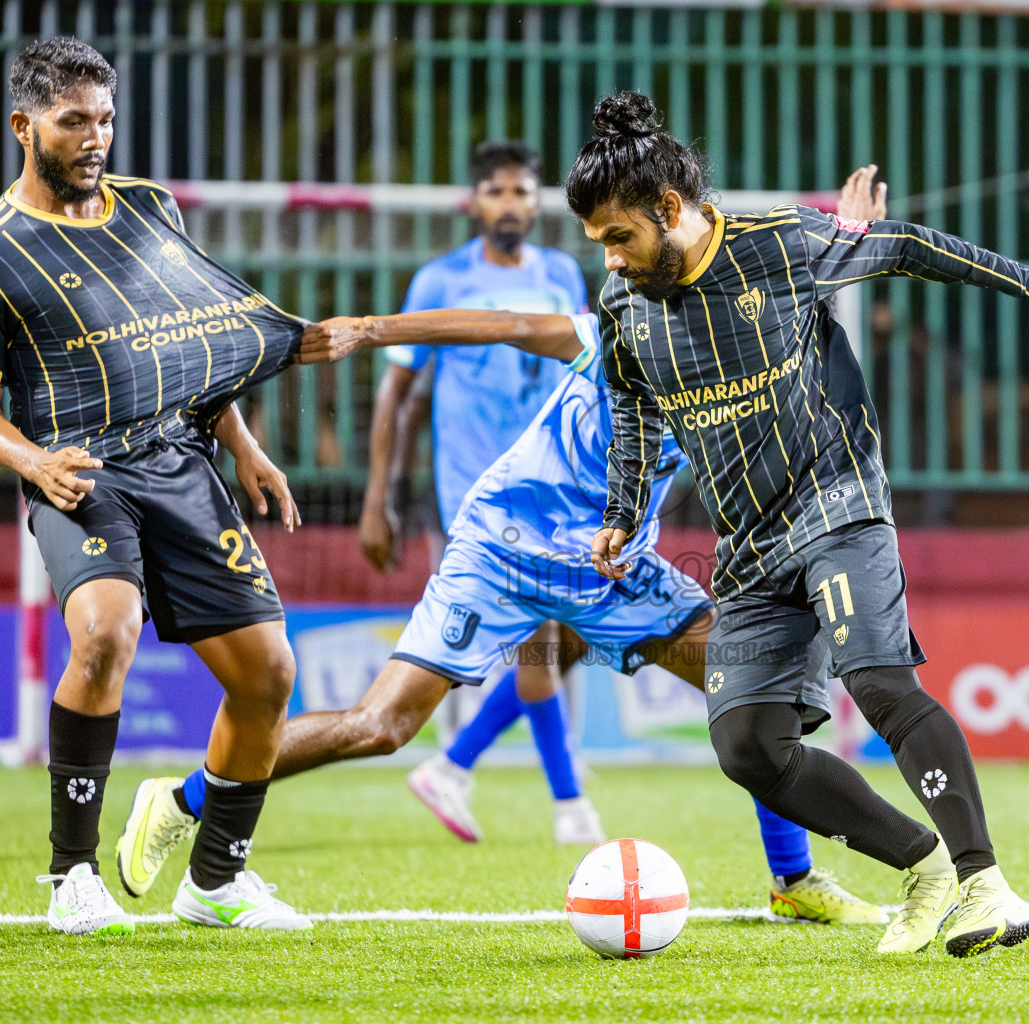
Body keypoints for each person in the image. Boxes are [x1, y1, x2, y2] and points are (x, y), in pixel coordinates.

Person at [120, 303, 886, 927]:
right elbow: (506, 325)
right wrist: (372, 330)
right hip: (501, 549)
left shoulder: (736, 402)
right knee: (379, 727)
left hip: (608, 569)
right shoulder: (616, 338)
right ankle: (183, 799)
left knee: (754, 690)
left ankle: (793, 881)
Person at [571, 92, 1029, 957]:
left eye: (619, 236)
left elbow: (906, 246)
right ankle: (924, 867)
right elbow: (631, 404)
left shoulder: (778, 243)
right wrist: (622, 513)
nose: (609, 257)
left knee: (878, 679)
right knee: (748, 747)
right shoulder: (622, 302)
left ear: (669, 209)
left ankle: (986, 884)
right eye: (599, 241)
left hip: (836, 504)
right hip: (750, 547)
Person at [0, 39, 311, 934]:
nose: (96, 137)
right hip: (79, 472)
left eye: (105, 119)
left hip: (180, 460)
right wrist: (34, 463)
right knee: (106, 633)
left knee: (269, 674)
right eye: (74, 121)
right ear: (23, 125)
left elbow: (195, 343)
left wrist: (244, 445)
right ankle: (72, 875)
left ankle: (216, 881)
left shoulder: (152, 208)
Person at [361, 141, 603, 846]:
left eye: (521, 191)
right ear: (473, 202)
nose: (509, 203)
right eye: (495, 191)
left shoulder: (561, 274)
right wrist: (379, 497)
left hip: (558, 483)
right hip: (478, 491)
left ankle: (453, 765)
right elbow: (399, 392)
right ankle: (570, 806)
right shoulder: (441, 281)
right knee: (539, 637)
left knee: (571, 636)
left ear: (537, 201)